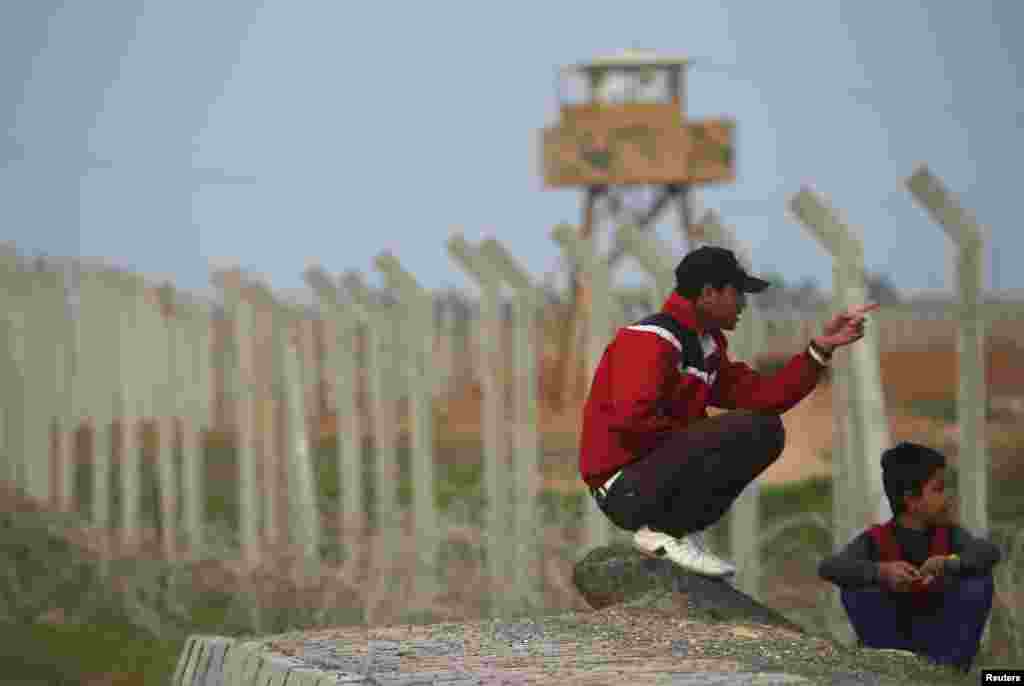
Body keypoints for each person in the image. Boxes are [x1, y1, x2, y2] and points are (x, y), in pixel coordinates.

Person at [579, 245, 878, 578]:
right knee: (747, 430)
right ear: (708, 293)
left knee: (764, 429)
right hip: (623, 487)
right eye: (738, 294)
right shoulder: (650, 340)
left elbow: (765, 397)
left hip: (650, 478)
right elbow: (631, 420)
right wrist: (697, 439)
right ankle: (659, 531)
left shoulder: (704, 346)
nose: (743, 305)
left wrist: (821, 349)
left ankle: (674, 529)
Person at [818, 441, 1002, 672]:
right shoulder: (875, 539)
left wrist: (949, 563)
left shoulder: (952, 535)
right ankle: (889, 667)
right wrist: (882, 572)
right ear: (912, 499)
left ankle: (951, 671)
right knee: (856, 587)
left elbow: (988, 552)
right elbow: (829, 567)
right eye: (938, 489)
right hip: (892, 638)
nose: (948, 497)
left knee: (978, 580)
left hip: (944, 642)